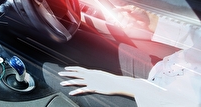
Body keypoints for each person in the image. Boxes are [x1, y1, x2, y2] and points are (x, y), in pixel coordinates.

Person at [52, 6, 201, 106]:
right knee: (80, 42)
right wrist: (152, 22)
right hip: (166, 70)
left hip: (156, 99)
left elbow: (178, 100)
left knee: (54, 78)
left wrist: (119, 83)